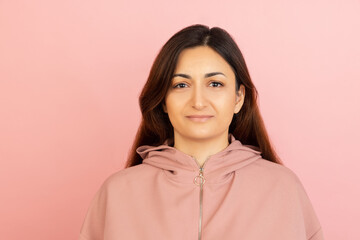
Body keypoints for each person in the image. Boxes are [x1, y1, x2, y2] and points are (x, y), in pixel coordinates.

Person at [78, 24, 324, 240]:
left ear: (238, 97)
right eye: (181, 85)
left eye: (215, 84)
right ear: (163, 99)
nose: (198, 101)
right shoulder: (117, 193)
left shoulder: (283, 189)